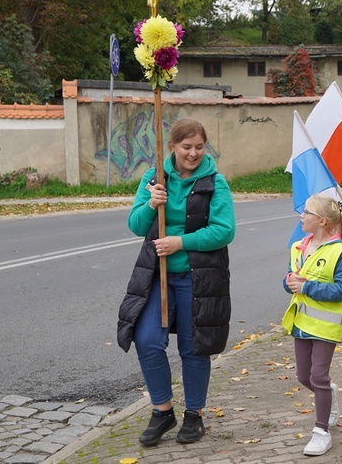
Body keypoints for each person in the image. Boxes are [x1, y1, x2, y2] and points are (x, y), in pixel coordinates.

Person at [117, 118, 236, 447]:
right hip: (158, 275)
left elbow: (224, 230)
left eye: (199, 147)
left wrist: (180, 242)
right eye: (187, 147)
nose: (194, 153)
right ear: (172, 147)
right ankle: (162, 411)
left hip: (200, 277)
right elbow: (136, 224)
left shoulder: (215, 183)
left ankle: (194, 415)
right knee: (146, 338)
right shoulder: (154, 178)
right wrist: (151, 202)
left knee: (193, 347)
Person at [282, 194, 342, 456]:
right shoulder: (299, 246)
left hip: (326, 326)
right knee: (304, 377)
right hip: (301, 322)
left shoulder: (341, 252)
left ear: (322, 221)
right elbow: (290, 279)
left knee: (318, 376)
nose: (302, 216)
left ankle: (321, 432)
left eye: (307, 213)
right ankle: (329, 394)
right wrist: (289, 282)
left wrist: (307, 286)